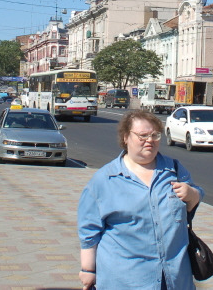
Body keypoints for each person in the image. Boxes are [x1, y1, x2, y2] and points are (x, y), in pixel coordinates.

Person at [77, 110, 204, 290]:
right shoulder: (104, 180)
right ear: (125, 137)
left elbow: (194, 199)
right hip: (125, 280)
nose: (150, 140)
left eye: (155, 135)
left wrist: (193, 194)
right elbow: (89, 231)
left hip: (174, 278)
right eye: (142, 136)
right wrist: (88, 270)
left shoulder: (174, 170)